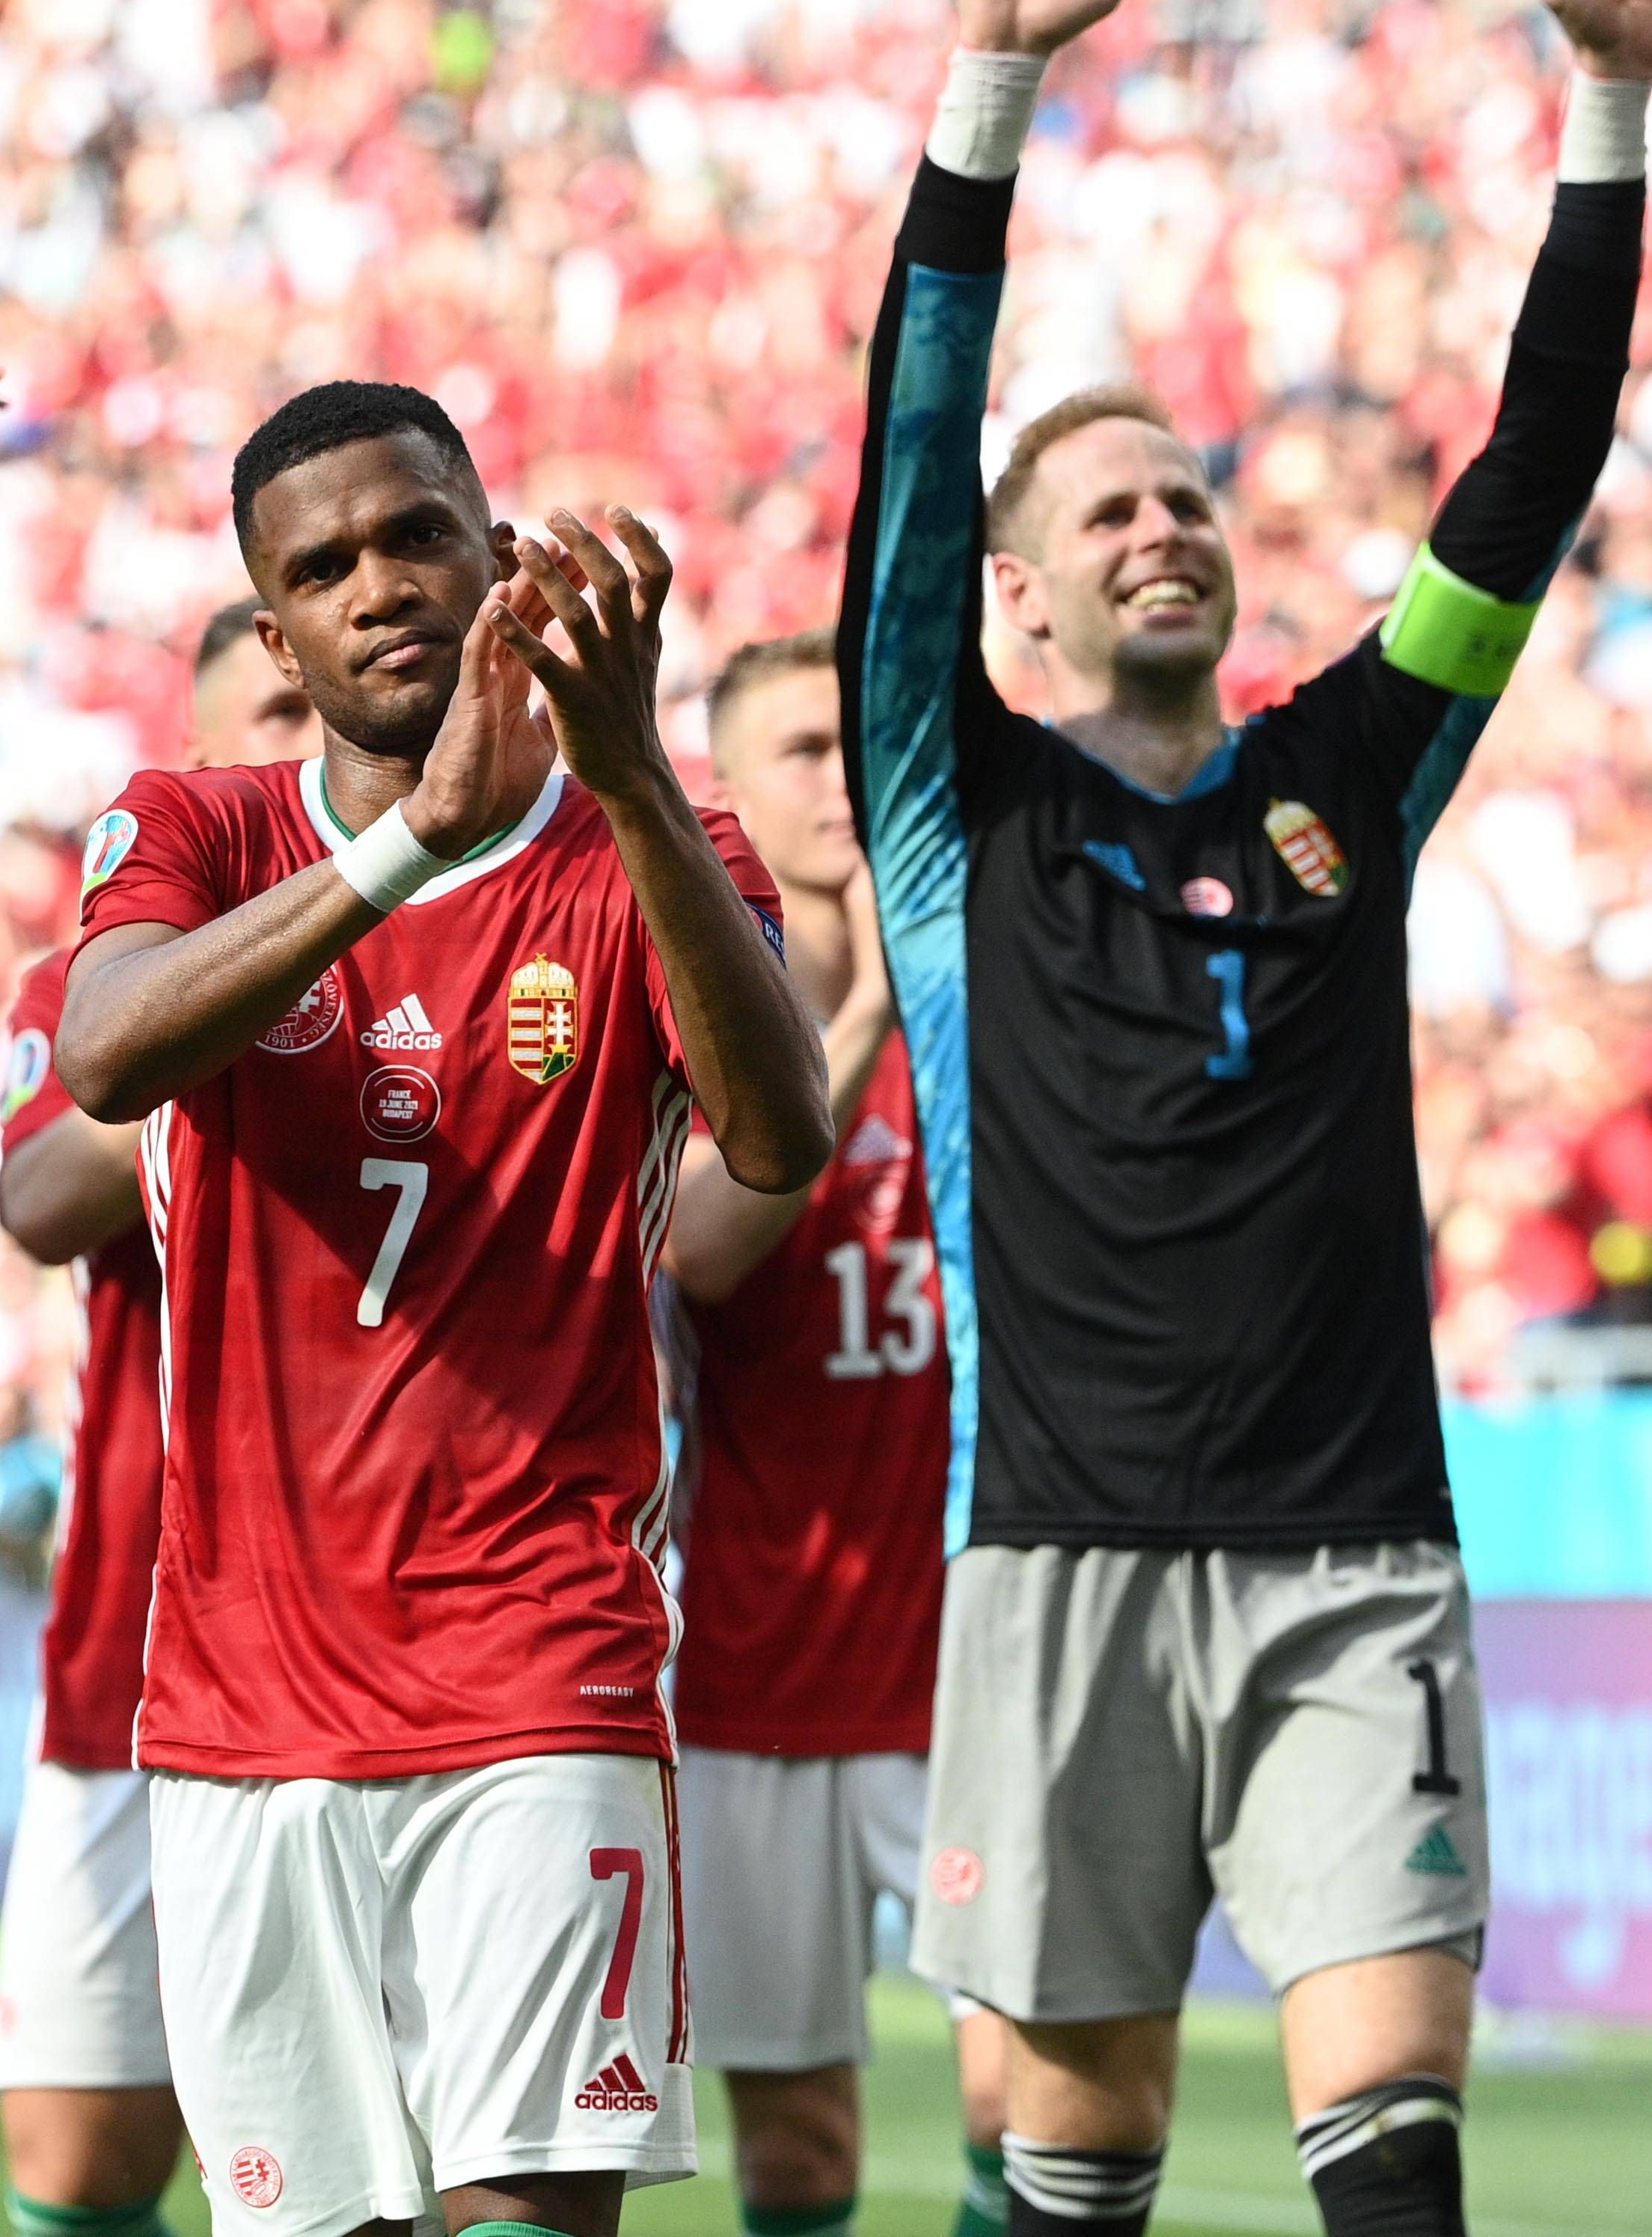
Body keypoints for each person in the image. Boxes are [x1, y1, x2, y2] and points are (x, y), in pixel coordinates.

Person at [839, 0, 1652, 2237]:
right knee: (1071, 2147)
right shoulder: (944, 802)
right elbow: (909, 454)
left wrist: (1605, 97)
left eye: (1189, 495)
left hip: (1352, 1555)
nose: (1166, 527)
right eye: (1108, 508)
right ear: (1016, 591)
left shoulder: (1349, 780)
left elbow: (1531, 473)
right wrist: (991, 79)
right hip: (1060, 1555)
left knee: (1396, 2130)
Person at [49, 381, 833, 2237]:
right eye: (323, 567)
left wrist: (629, 772)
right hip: (247, 1706)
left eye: (418, 536)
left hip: (540, 1665)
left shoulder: (657, 848)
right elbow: (99, 1056)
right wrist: (404, 849)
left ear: (499, 557)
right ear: (275, 632)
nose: (380, 585)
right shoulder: (191, 825)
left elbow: (780, 1134)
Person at [659, 631, 1009, 2237]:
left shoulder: (986, 1017)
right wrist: (856, 1010)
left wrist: (907, 996)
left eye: (856, 750)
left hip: (970, 1666)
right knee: (797, 2149)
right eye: (800, 752)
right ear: (724, 796)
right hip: (757, 1671)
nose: (840, 785)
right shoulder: (688, 1031)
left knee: (1027, 2093)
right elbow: (706, 1252)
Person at [0, 596, 316, 2237]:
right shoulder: (88, 987)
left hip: (376, 1656)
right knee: (80, 2158)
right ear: (196, 765)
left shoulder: (474, 949)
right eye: (263, 709)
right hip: (133, 1637)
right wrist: (203, 1030)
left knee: (349, 2155)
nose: (298, 731)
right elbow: (39, 1196)